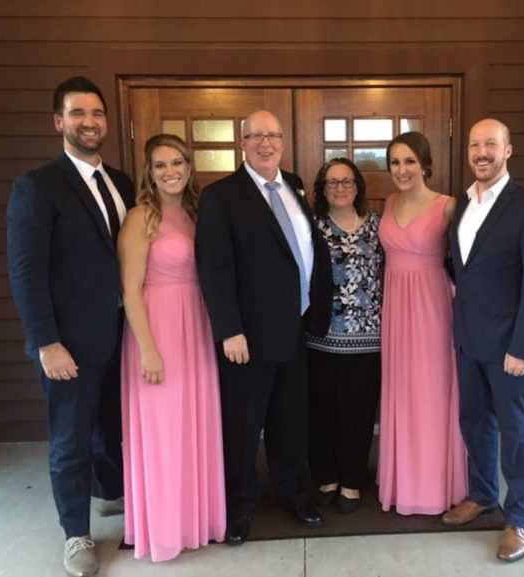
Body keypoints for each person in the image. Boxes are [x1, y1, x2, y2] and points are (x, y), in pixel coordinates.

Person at [6, 76, 133, 577]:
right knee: (70, 440)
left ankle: (108, 495)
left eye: (97, 113)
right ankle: (76, 536)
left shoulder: (121, 184)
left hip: (120, 334)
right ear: (59, 122)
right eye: (77, 113)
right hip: (69, 344)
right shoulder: (37, 186)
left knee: (111, 430)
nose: (89, 122)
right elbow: (26, 271)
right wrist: (46, 342)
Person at [195, 110, 332, 545]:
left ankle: (293, 493)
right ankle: (238, 507)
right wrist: (229, 330)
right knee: (242, 424)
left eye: (273, 135)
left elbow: (304, 250)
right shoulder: (221, 196)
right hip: (248, 339)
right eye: (256, 136)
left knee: (291, 420)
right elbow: (214, 269)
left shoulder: (292, 184)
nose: (265, 143)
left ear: (283, 141)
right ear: (243, 143)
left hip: (296, 330)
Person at [441, 118, 524, 563]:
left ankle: (520, 518)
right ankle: (483, 494)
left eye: (491, 143)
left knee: (516, 431)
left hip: (512, 346)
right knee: (475, 421)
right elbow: (462, 271)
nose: (481, 152)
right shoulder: (464, 204)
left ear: (508, 150)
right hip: (469, 339)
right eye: (475, 145)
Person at [118, 134, 226, 561]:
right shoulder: (140, 217)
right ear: (149, 171)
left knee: (195, 425)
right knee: (164, 432)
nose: (170, 172)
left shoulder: (199, 213)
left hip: (195, 326)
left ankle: (196, 519)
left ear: (189, 166)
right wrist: (147, 349)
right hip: (158, 328)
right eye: (160, 165)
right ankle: (164, 528)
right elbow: (129, 289)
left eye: (177, 162)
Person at [376, 131, 468, 515]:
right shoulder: (387, 203)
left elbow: (468, 264)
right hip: (396, 305)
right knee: (402, 390)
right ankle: (402, 481)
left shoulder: (447, 206)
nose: (402, 170)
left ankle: (434, 485)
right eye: (395, 162)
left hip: (432, 306)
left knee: (432, 392)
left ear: (425, 164)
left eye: (410, 161)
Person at [305, 158, 384, 514]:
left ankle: (352, 480)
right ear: (322, 189)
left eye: (346, 182)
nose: (340, 188)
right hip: (320, 337)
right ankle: (327, 476)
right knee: (322, 412)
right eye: (332, 182)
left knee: (358, 412)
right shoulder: (311, 227)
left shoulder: (378, 227)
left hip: (368, 339)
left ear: (358, 187)